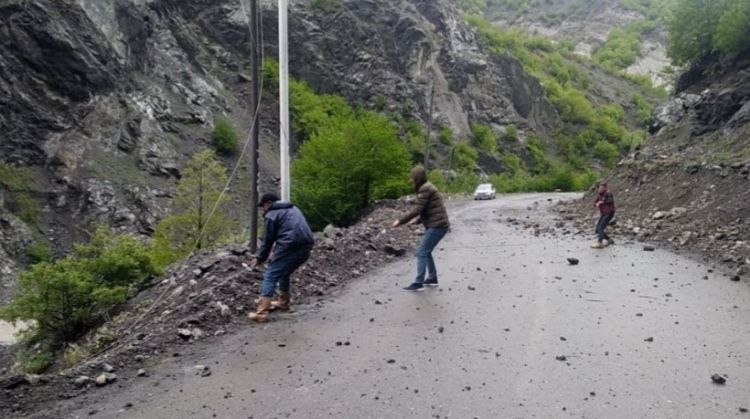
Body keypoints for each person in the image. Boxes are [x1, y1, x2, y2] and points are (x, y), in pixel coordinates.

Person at [248, 192, 315, 322]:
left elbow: (268, 240)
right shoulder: (293, 209)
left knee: (270, 275)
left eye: (263, 206)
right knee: (284, 272)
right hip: (306, 247)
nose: (263, 209)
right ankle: (283, 303)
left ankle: (261, 313)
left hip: (290, 247)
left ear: (268, 203)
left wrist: (260, 258)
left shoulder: (272, 215)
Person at [392, 167, 450, 291]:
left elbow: (417, 209)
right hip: (438, 224)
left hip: (437, 225)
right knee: (426, 252)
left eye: (412, 177)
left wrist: (400, 221)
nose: (411, 180)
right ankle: (432, 278)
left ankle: (419, 283)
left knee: (421, 252)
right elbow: (430, 209)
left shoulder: (425, 189)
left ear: (417, 178)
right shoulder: (427, 187)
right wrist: (418, 220)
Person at [592, 181, 615, 249]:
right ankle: (609, 239)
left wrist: (602, 202)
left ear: (605, 188)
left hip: (609, 213)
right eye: (599, 188)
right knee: (597, 229)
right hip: (603, 213)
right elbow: (596, 201)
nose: (600, 189)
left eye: (602, 188)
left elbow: (610, 201)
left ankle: (600, 242)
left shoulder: (608, 193)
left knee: (600, 227)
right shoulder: (599, 194)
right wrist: (596, 203)